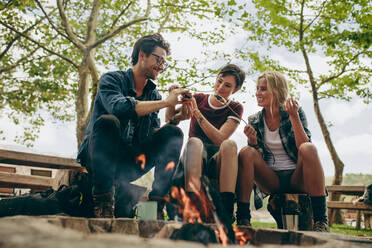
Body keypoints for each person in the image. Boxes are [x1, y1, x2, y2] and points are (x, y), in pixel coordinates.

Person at [76, 33, 191, 218]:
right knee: (108, 121)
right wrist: (166, 103)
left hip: (130, 164)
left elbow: (152, 135)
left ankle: (155, 206)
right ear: (142, 55)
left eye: (164, 62)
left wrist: (174, 118)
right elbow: (119, 107)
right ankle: (103, 203)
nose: (161, 66)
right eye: (158, 59)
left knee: (173, 133)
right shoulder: (111, 79)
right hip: (100, 161)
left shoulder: (154, 96)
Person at [237, 71, 329, 231]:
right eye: (257, 88)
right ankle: (243, 219)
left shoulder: (295, 112)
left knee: (309, 148)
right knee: (246, 152)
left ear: (277, 91)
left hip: (297, 178)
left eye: (263, 89)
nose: (258, 93)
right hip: (271, 180)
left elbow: (303, 146)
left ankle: (321, 221)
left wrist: (294, 117)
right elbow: (254, 159)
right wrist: (253, 143)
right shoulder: (254, 120)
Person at [170, 64, 245, 222]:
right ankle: (193, 204)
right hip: (194, 154)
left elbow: (219, 138)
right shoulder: (198, 98)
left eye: (227, 85)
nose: (220, 87)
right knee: (195, 142)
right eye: (219, 81)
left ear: (236, 90)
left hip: (218, 158)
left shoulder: (235, 108)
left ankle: (226, 209)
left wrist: (197, 113)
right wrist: (171, 99)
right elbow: (172, 119)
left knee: (230, 144)